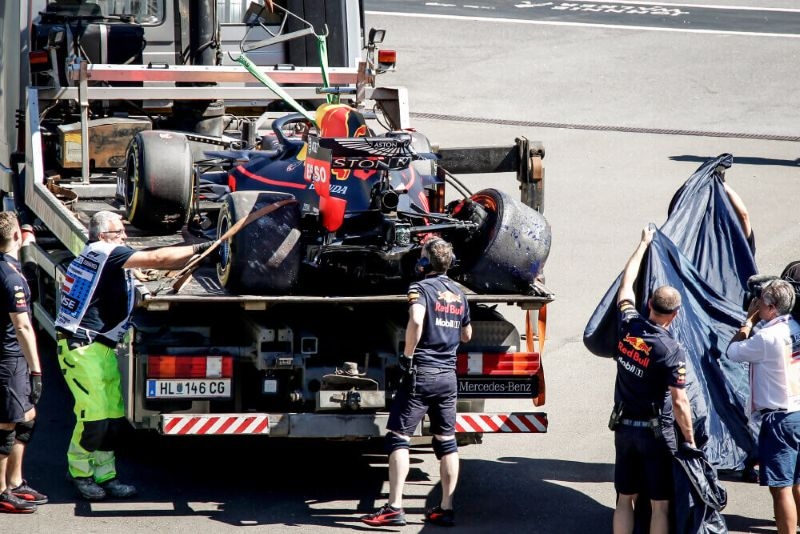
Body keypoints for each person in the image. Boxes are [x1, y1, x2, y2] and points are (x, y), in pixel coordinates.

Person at [55, 210, 215, 501]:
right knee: (93, 418)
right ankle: (79, 473)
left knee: (113, 419)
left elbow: (153, 272)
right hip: (81, 348)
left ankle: (106, 475)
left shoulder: (108, 259)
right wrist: (202, 247)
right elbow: (156, 259)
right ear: (104, 236)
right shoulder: (103, 251)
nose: (125, 237)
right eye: (119, 233)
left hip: (101, 348)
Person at [360, 237, 471, 527]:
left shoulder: (419, 288)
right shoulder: (460, 294)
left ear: (424, 263)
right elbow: (467, 335)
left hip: (422, 372)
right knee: (447, 442)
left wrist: (408, 355)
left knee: (399, 437)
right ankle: (446, 507)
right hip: (448, 377)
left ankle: (394, 507)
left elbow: (417, 320)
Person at [610, 226, 696, 534]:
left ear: (649, 305)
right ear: (674, 315)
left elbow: (626, 285)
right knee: (660, 502)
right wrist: (689, 440)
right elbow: (680, 400)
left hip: (624, 428)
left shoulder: (628, 324)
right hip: (656, 433)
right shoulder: (671, 350)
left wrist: (643, 244)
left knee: (624, 499)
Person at [726, 279, 800, 534]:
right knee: (797, 480)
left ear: (771, 307)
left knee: (780, 486)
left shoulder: (767, 337)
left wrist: (748, 321)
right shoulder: (796, 327)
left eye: (762, 302)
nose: (758, 304)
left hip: (779, 419)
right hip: (798, 412)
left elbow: (732, 352)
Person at [0, 213, 47, 513]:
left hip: (11, 358)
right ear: (16, 235)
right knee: (6, 425)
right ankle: (2, 491)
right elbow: (23, 326)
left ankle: (15, 481)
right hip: (9, 359)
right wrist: (36, 369)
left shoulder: (10, 268)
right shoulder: (11, 277)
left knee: (27, 415)